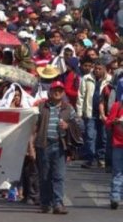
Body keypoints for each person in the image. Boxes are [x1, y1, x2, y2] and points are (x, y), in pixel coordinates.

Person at [31, 81, 77, 214]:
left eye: (60, 90)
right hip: (43, 145)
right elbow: (34, 127)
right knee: (45, 176)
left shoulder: (69, 108)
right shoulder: (41, 107)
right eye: (55, 90)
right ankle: (46, 203)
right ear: (50, 92)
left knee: (59, 176)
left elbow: (79, 127)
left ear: (63, 93)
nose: (57, 92)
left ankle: (58, 204)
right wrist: (31, 147)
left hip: (60, 145)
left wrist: (68, 126)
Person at [77, 59, 112, 169]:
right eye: (95, 68)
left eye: (99, 69)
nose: (96, 71)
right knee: (90, 136)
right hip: (90, 112)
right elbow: (81, 96)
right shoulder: (86, 78)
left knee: (103, 137)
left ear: (104, 69)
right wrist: (79, 112)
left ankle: (101, 158)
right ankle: (90, 158)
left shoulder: (110, 80)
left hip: (104, 114)